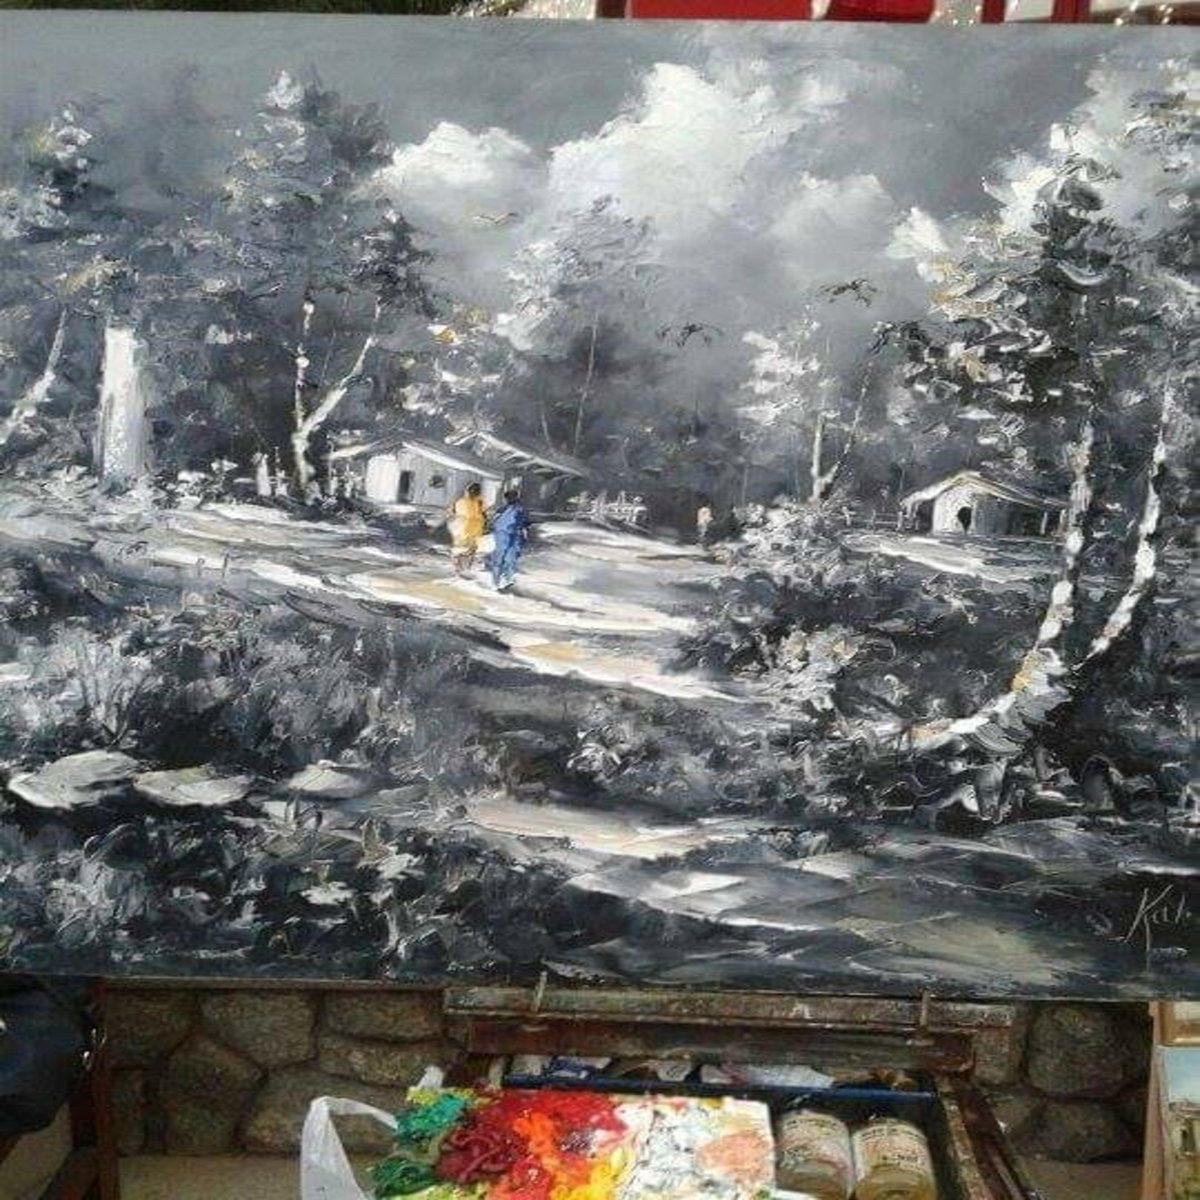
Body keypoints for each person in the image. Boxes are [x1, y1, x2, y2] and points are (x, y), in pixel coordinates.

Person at [490, 488, 530, 591]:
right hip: (512, 535)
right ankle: (505, 580)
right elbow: (525, 524)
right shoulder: (520, 509)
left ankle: (498, 582)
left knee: (501, 558)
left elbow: (493, 522)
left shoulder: (503, 509)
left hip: (503, 535)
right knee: (509, 558)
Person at [448, 481, 487, 576]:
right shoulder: (478, 502)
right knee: (468, 550)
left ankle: (460, 569)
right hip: (472, 529)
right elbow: (484, 515)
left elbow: (452, 513)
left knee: (461, 550)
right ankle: (463, 569)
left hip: (465, 529)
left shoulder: (461, 502)